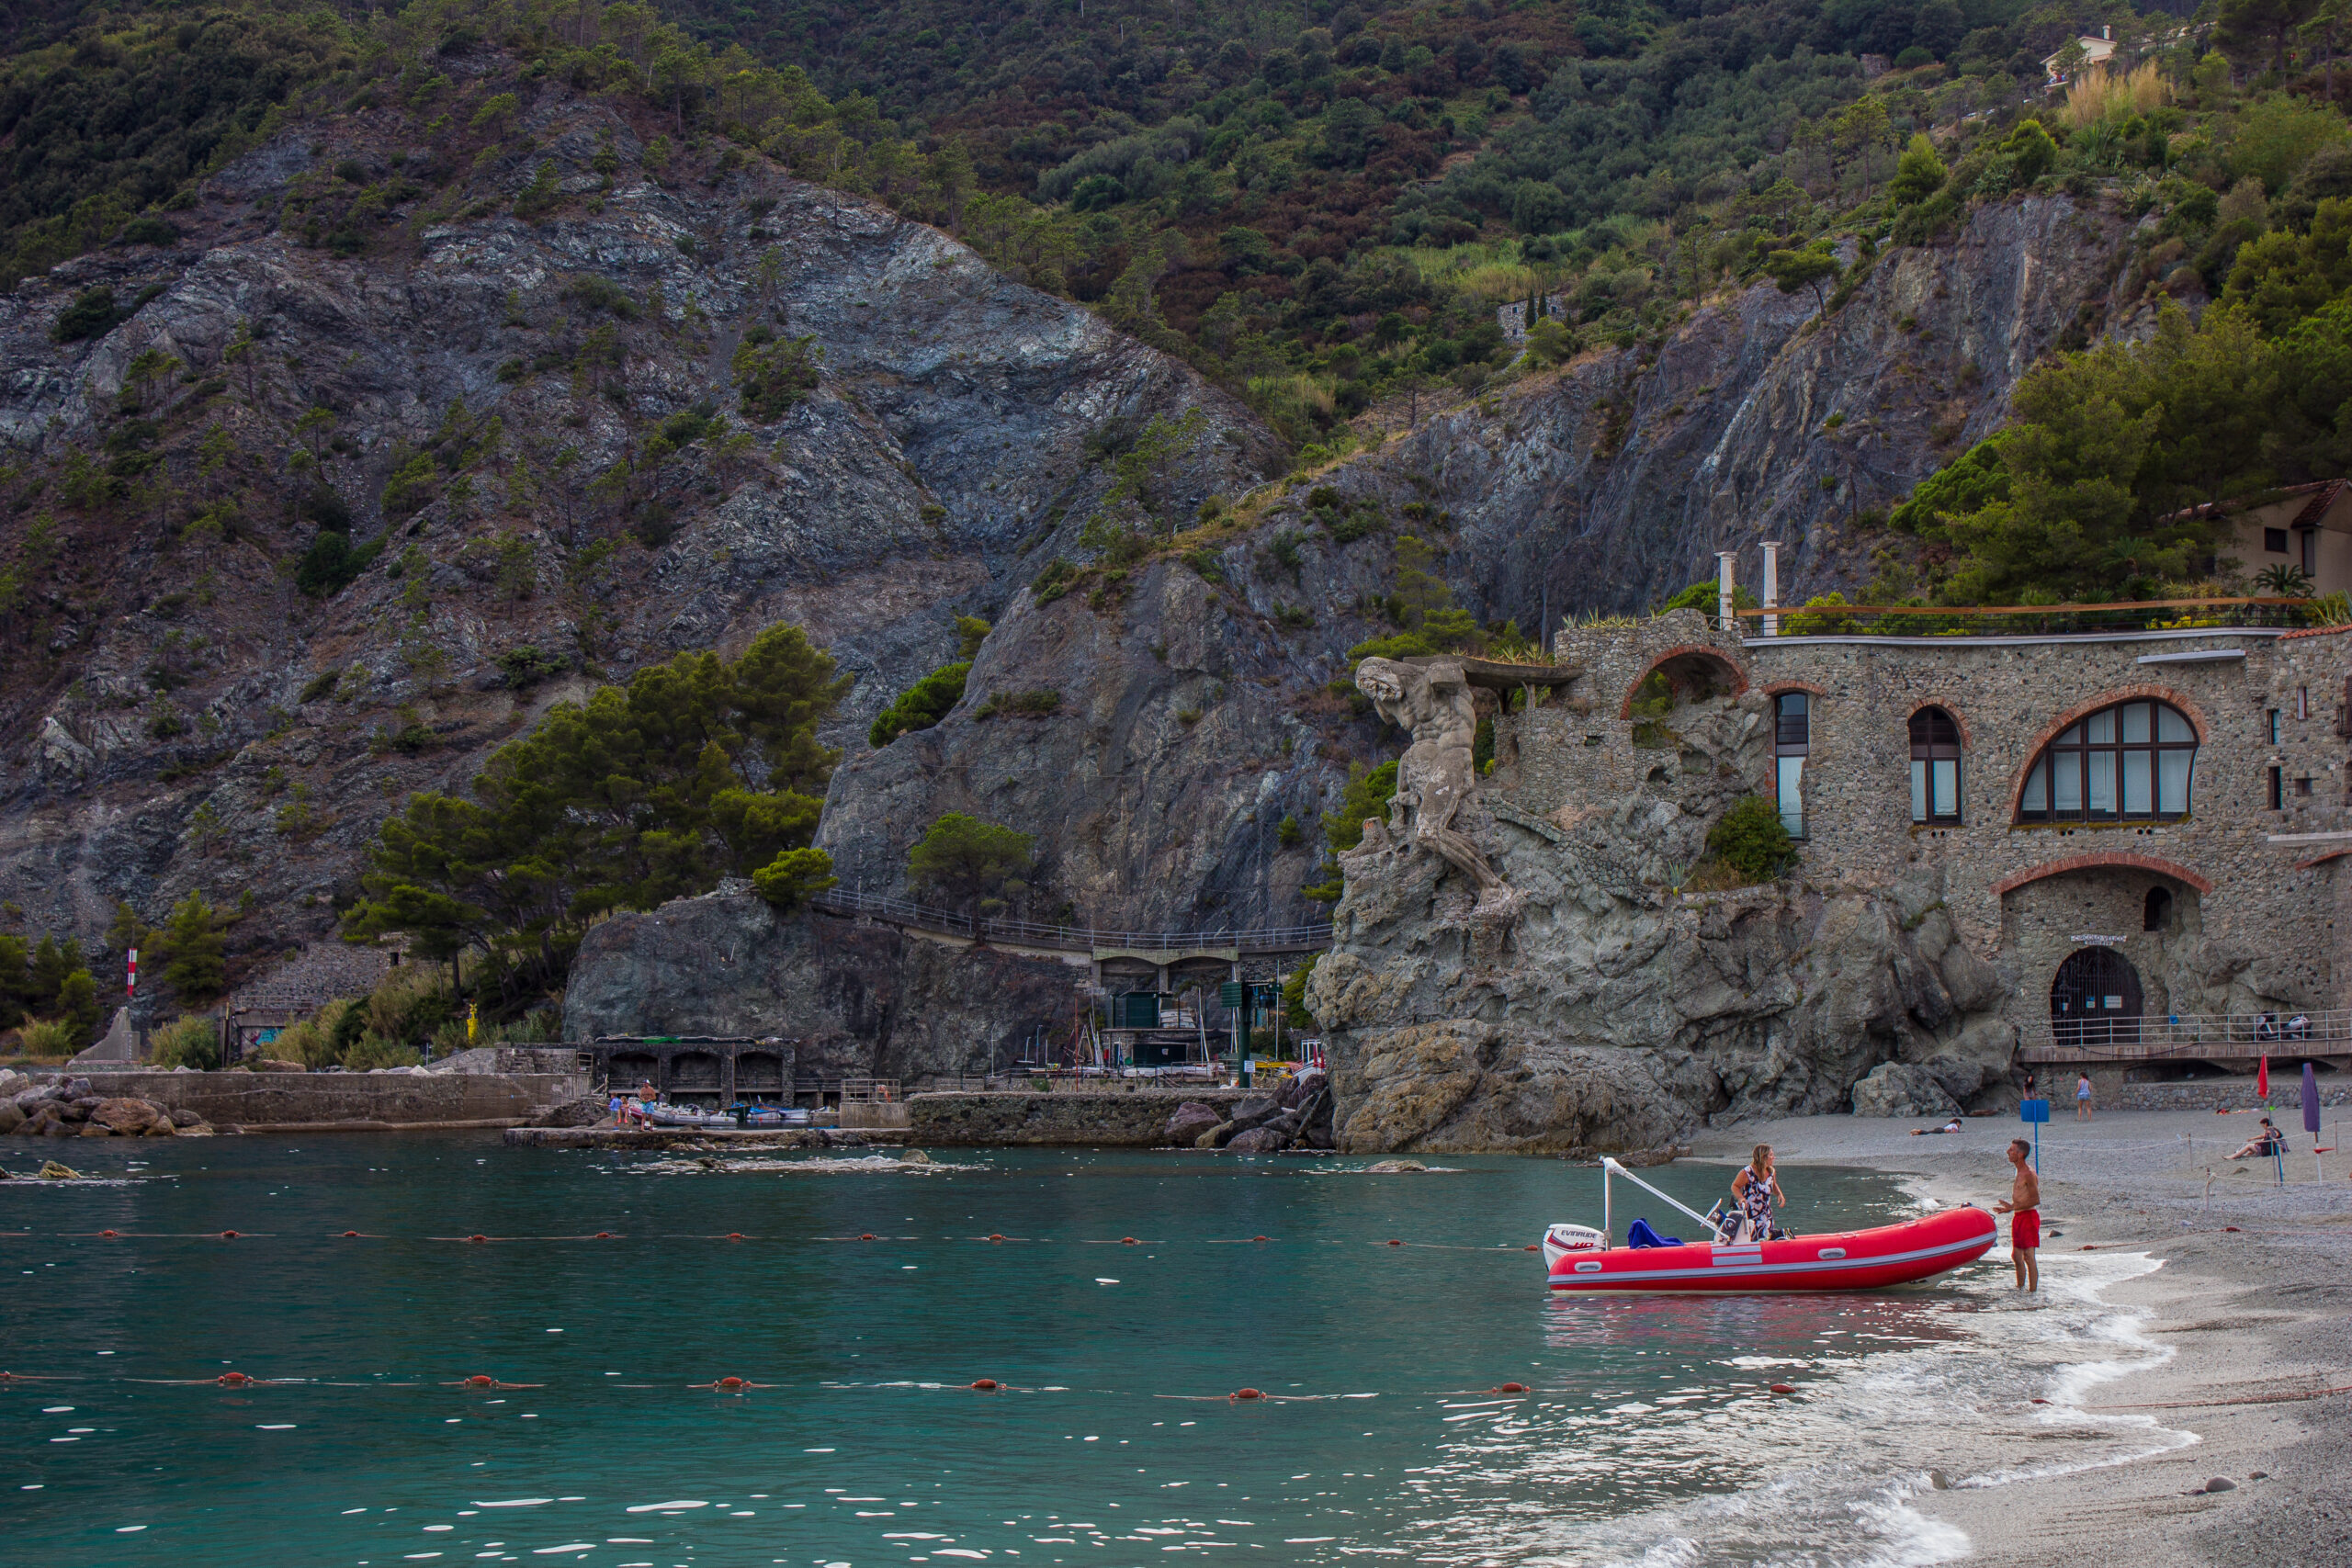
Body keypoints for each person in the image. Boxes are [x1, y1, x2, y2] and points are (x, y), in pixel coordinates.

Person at [1994, 1137, 2041, 1292]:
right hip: (2019, 1216)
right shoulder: (2018, 1171)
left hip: (2028, 1217)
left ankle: (2033, 1292)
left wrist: (2012, 1207)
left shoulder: (2028, 1174)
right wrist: (2012, 1208)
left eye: (2012, 1150)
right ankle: (2020, 1289)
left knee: (2028, 1256)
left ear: (2020, 1154)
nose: (2008, 1152)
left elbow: (2035, 1199)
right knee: (2016, 1256)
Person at [1728, 1145, 1786, 1242]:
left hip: (1766, 1217)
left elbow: (1773, 1184)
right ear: (1763, 1157)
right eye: (1771, 1155)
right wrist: (1741, 1198)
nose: (1774, 1157)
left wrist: (1779, 1194)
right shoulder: (1747, 1172)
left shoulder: (1771, 1171)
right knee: (1753, 1240)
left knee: (1766, 1240)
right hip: (1750, 1217)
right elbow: (1735, 1186)